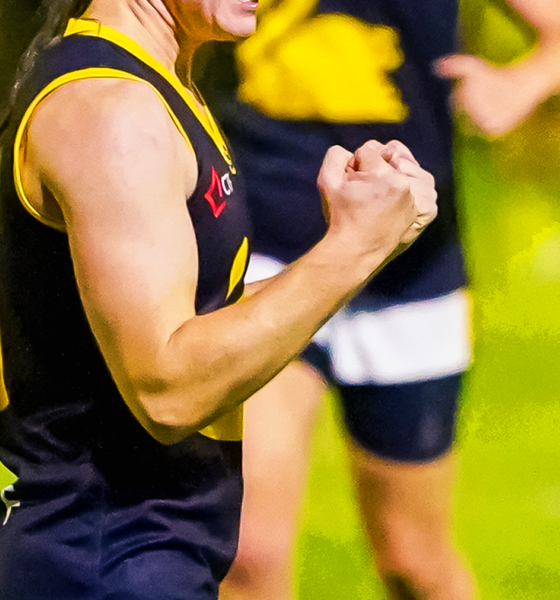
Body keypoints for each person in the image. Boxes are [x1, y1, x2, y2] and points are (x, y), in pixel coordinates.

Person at [0, 1, 438, 598]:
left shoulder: (158, 81)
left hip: (125, 555)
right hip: (102, 561)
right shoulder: (113, 111)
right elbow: (167, 390)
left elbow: (198, 316)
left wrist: (367, 240)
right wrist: (354, 248)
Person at [203, 1, 560, 599]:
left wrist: (519, 84)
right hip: (264, 252)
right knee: (249, 553)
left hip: (410, 268)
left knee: (412, 562)